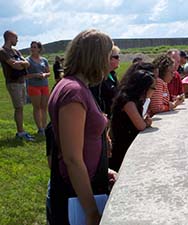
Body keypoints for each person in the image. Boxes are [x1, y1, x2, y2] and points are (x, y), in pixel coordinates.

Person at [47, 29, 117, 225]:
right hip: (77, 197)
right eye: (108, 55)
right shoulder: (73, 92)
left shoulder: (74, 86)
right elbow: (72, 159)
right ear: (96, 57)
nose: (110, 62)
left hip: (89, 185)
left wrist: (104, 170)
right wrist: (92, 212)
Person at [109, 68, 155, 172]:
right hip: (122, 148)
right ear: (144, 88)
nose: (154, 90)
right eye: (153, 88)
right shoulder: (128, 101)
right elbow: (141, 125)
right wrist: (146, 122)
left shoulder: (135, 100)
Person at [0, 30, 33, 141]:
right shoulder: (3, 51)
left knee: (21, 108)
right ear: (10, 37)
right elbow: (14, 66)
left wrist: (21, 64)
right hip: (13, 82)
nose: (17, 40)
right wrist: (20, 64)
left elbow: (27, 64)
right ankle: (20, 132)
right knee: (18, 107)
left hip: (22, 81)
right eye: (16, 38)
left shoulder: (16, 51)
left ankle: (21, 131)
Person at [25, 41, 51, 135]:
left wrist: (44, 74)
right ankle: (40, 128)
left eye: (35, 47)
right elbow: (25, 75)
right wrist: (35, 75)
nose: (32, 49)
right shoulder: (27, 60)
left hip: (44, 85)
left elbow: (49, 73)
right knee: (37, 107)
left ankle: (44, 127)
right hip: (33, 86)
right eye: (31, 47)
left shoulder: (44, 60)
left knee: (44, 107)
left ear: (39, 49)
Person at [90, 45, 121, 119]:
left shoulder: (112, 75)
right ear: (107, 58)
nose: (119, 59)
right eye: (116, 57)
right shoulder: (97, 78)